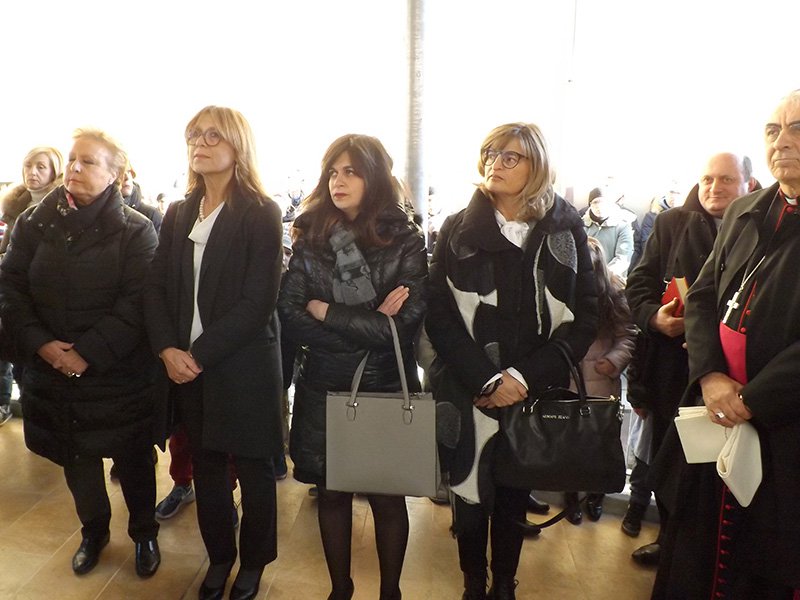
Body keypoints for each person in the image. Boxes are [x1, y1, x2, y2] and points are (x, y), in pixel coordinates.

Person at [426, 122, 598, 599]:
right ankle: (472, 581)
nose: (495, 164)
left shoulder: (566, 229)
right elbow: (439, 315)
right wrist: (486, 379)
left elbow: (585, 317)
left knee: (513, 495)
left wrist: (521, 377)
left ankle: (504, 582)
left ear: (536, 165)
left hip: (531, 390)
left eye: (509, 157)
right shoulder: (457, 228)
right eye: (490, 154)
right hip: (468, 389)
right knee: (468, 494)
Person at [651, 91, 800, 598]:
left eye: (797, 129)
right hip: (715, 409)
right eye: (773, 130)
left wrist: (751, 399)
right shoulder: (745, 210)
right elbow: (704, 295)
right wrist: (711, 376)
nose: (782, 141)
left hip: (784, 425)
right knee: (697, 549)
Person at [0, 128, 160, 577]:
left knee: (132, 458)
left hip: (118, 373)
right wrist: (42, 344)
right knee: (76, 457)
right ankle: (94, 532)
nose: (74, 167)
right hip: (52, 368)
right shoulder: (35, 221)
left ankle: (144, 533)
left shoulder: (137, 228)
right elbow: (10, 287)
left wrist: (86, 353)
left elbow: (138, 303)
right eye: (72, 159)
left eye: (88, 161)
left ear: (115, 175)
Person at [278, 134, 427, 600]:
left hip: (385, 386)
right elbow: (290, 314)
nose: (337, 181)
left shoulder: (406, 240)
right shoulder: (312, 235)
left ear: (374, 177)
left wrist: (328, 312)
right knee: (332, 493)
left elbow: (402, 328)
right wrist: (370, 323)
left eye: (351, 171)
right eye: (332, 172)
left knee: (387, 496)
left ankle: (390, 592)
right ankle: (339, 590)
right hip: (322, 386)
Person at [144, 105, 284, 600]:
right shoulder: (180, 212)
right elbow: (155, 286)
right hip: (186, 366)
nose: (199, 144)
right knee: (205, 468)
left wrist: (196, 355)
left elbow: (257, 303)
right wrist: (167, 348)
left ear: (237, 146)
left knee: (254, 469)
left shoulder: (261, 212)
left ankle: (253, 563)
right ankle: (220, 556)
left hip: (242, 365)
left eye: (212, 136)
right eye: (194, 136)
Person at [624, 152, 756, 566]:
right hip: (672, 373)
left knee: (724, 471)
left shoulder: (763, 229)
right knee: (671, 463)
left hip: (736, 376)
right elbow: (638, 285)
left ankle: (715, 558)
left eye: (726, 180)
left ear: (749, 185)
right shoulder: (670, 224)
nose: (714, 188)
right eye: (707, 179)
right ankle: (670, 545)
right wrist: (655, 318)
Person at [563, 237, 636, 526]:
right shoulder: (563, 290)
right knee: (568, 441)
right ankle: (571, 496)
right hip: (567, 379)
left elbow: (627, 335)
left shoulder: (614, 293)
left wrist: (614, 361)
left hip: (601, 382)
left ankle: (596, 495)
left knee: (600, 442)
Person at [0, 146, 64, 425]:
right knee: (14, 362)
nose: (32, 172)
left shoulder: (61, 207)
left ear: (54, 171)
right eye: (28, 166)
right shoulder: (15, 207)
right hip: (13, 298)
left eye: (41, 166)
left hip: (43, 304)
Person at [581, 186, 634, 278]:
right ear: (590, 205)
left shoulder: (623, 225)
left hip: (613, 280)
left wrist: (603, 276)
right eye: (595, 202)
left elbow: (623, 258)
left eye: (603, 201)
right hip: (587, 279)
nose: (599, 205)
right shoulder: (582, 225)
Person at [121, 167, 163, 233]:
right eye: (120, 172)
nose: (127, 177)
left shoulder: (151, 215)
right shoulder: (104, 211)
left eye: (128, 171)